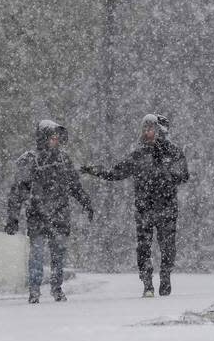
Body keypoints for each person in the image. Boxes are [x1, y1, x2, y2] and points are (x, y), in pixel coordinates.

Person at [81, 113, 189, 297]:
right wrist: (96, 171)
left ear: (160, 131)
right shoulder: (138, 154)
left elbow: (183, 175)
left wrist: (164, 171)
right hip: (144, 208)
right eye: (145, 129)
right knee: (143, 247)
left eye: (151, 129)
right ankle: (147, 283)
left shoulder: (173, 152)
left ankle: (165, 277)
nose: (148, 133)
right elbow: (116, 172)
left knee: (168, 246)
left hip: (167, 207)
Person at [5, 119, 94, 304]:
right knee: (37, 255)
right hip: (37, 216)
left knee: (58, 255)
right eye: (52, 138)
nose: (56, 141)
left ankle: (56, 288)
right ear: (43, 138)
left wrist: (86, 202)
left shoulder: (63, 159)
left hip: (59, 215)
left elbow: (74, 186)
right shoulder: (30, 159)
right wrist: (13, 217)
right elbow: (18, 190)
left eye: (57, 138)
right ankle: (35, 290)